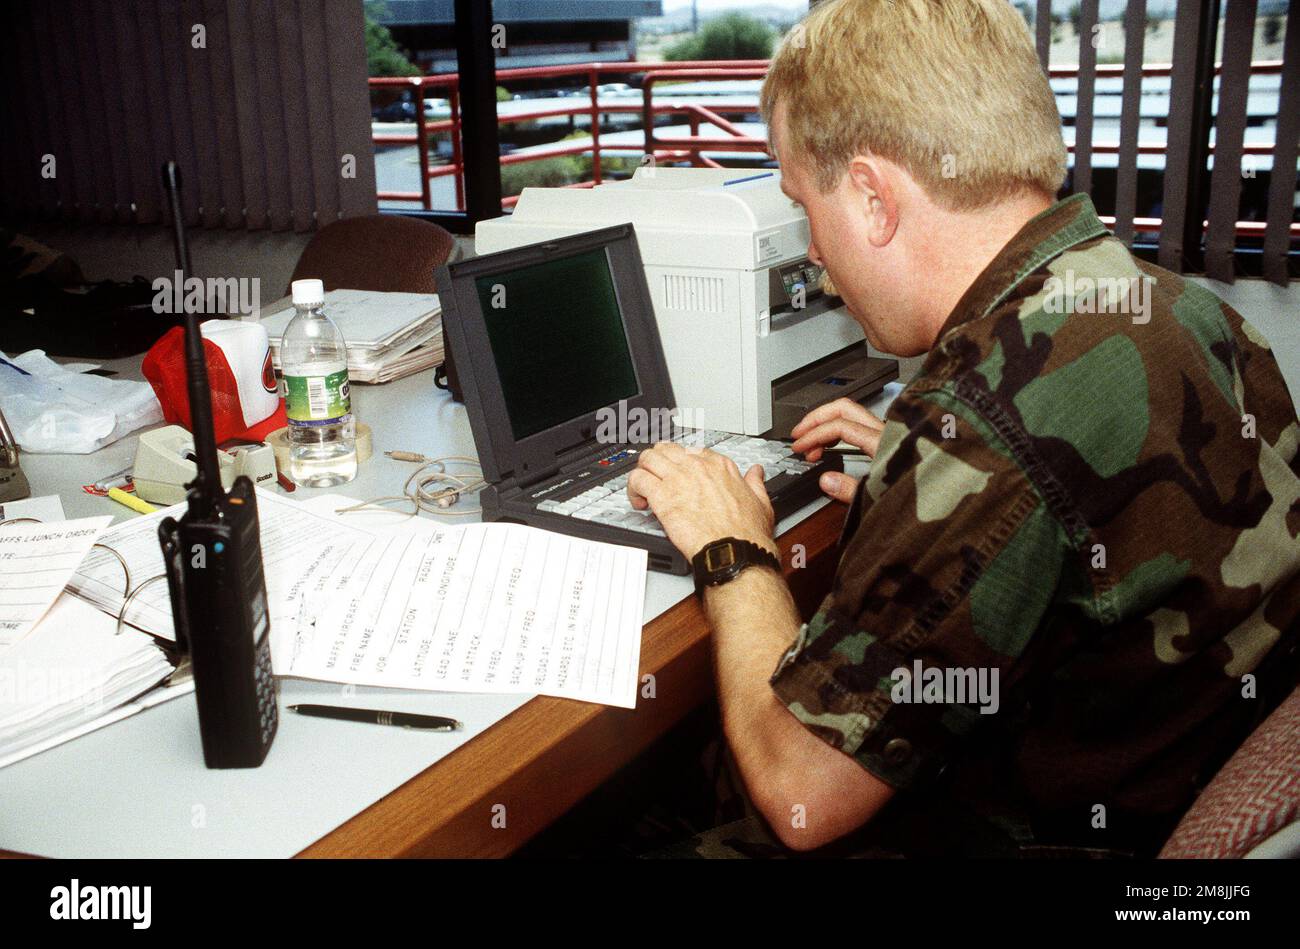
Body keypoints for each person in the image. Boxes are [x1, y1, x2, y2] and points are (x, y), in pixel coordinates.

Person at [627, 0, 1300, 857]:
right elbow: (1082, 481)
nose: (817, 254)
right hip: (1167, 774)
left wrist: (735, 546)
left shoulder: (989, 418)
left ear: (873, 197)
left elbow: (803, 797)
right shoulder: (1174, 303)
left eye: (806, 206)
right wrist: (938, 471)